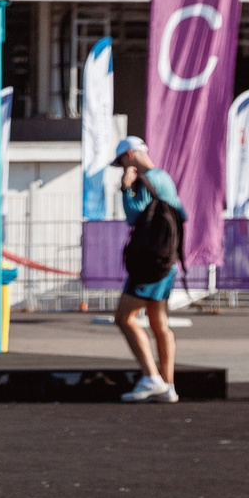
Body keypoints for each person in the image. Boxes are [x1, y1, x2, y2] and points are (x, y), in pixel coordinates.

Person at [111, 135, 186, 403]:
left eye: (121, 161)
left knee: (124, 317)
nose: (121, 167)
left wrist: (125, 188)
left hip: (150, 263)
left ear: (130, 155)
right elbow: (182, 214)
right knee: (159, 322)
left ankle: (151, 377)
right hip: (169, 260)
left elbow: (134, 215)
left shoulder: (145, 180)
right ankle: (168, 385)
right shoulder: (165, 178)